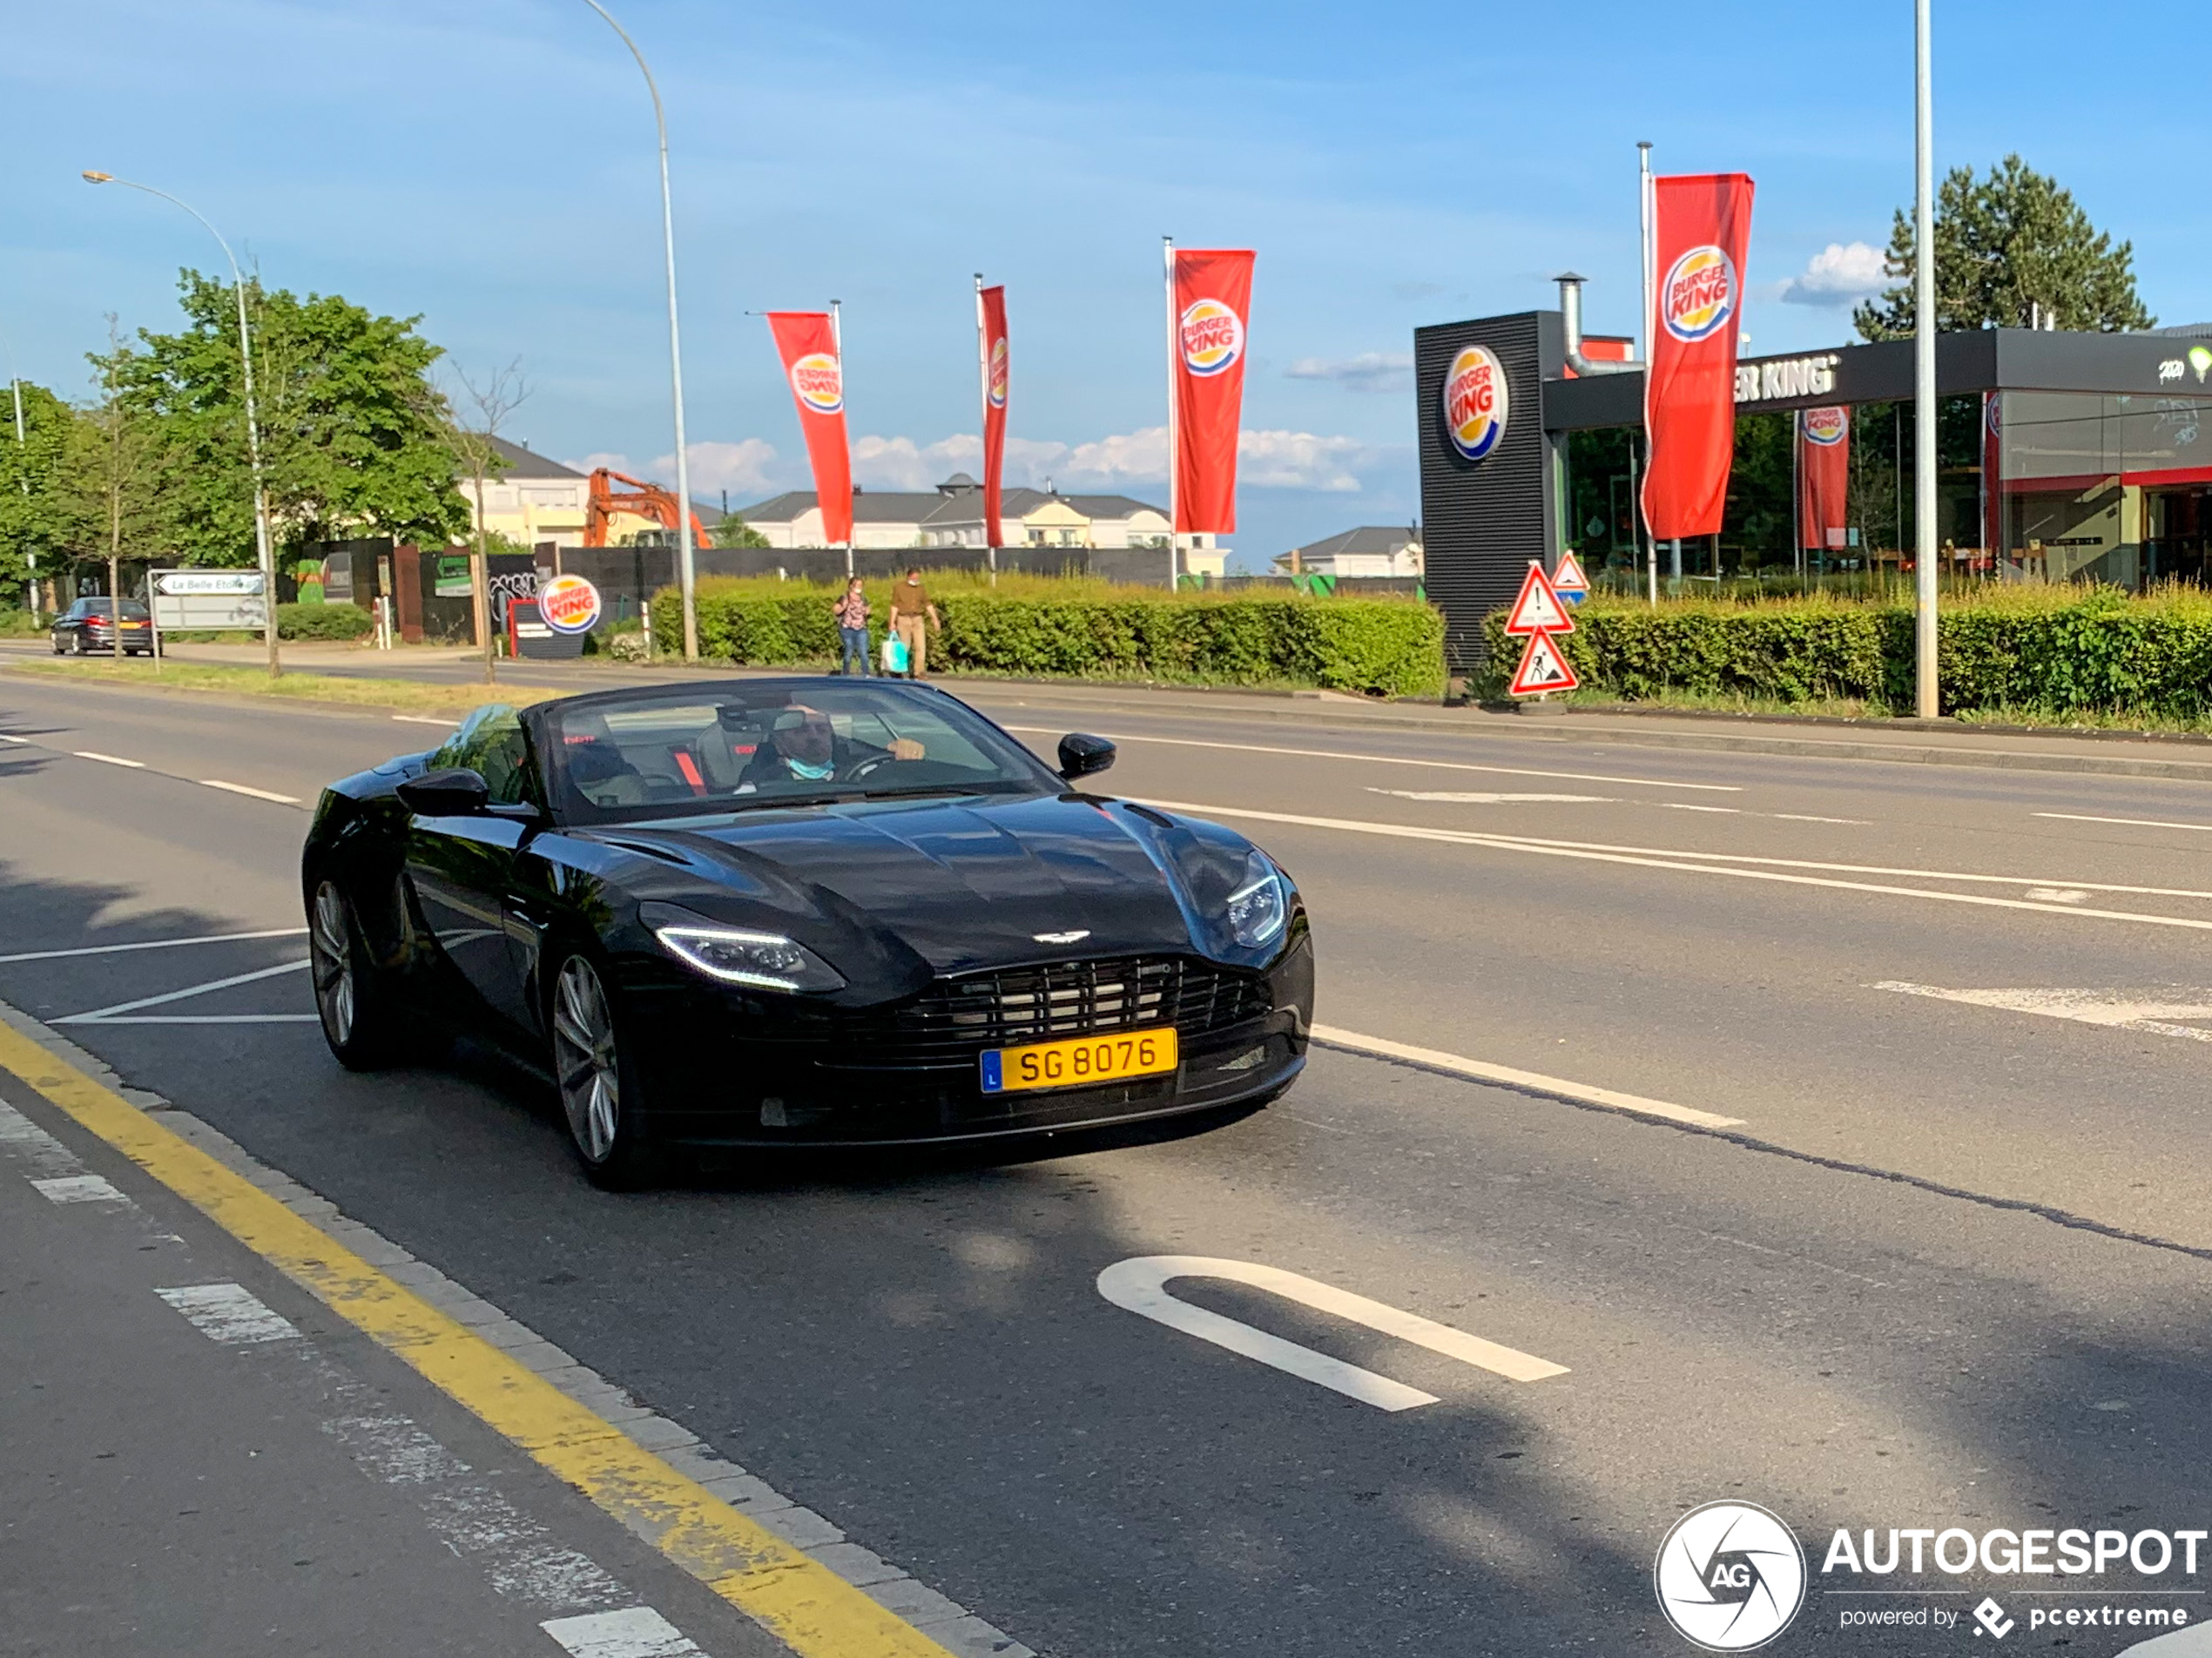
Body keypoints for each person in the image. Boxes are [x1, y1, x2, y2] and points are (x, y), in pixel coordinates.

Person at [738, 704, 923, 790]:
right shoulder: (757, 789)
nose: (814, 736)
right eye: (800, 731)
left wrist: (905, 757)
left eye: (821, 728)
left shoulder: (865, 771)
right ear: (779, 744)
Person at [888, 568, 941, 680]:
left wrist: (935, 619)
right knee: (904, 647)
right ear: (909, 576)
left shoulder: (921, 588)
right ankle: (899, 671)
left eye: (918, 578)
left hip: (917, 618)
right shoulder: (899, 588)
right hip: (903, 619)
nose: (916, 580)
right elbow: (894, 605)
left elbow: (928, 604)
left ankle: (919, 672)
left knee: (920, 646)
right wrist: (892, 622)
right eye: (914, 577)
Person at [831, 576, 871, 676]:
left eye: (861, 585)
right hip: (847, 629)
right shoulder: (844, 597)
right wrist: (843, 607)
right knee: (849, 650)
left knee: (864, 652)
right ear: (851, 586)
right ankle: (846, 673)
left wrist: (867, 611)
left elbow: (868, 610)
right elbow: (835, 610)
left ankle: (866, 674)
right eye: (857, 585)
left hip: (861, 628)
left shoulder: (864, 598)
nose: (859, 587)